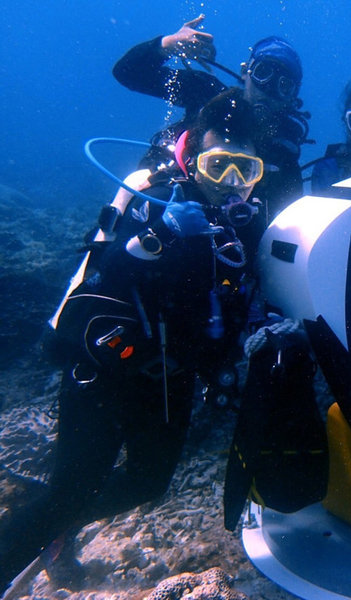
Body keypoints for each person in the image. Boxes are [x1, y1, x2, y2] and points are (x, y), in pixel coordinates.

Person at [0, 88, 280, 592]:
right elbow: (99, 274)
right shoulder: (153, 194)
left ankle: (55, 526)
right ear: (192, 156)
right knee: (68, 492)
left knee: (147, 482)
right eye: (218, 166)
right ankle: (39, 527)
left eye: (245, 169)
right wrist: (158, 236)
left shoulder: (243, 219)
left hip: (169, 380)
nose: (231, 183)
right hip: (105, 366)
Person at [113, 15, 309, 221]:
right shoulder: (207, 95)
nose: (268, 89)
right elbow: (127, 73)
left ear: (293, 96)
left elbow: (289, 216)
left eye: (284, 85)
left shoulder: (284, 148)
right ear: (246, 72)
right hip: (158, 206)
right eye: (263, 73)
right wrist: (166, 46)